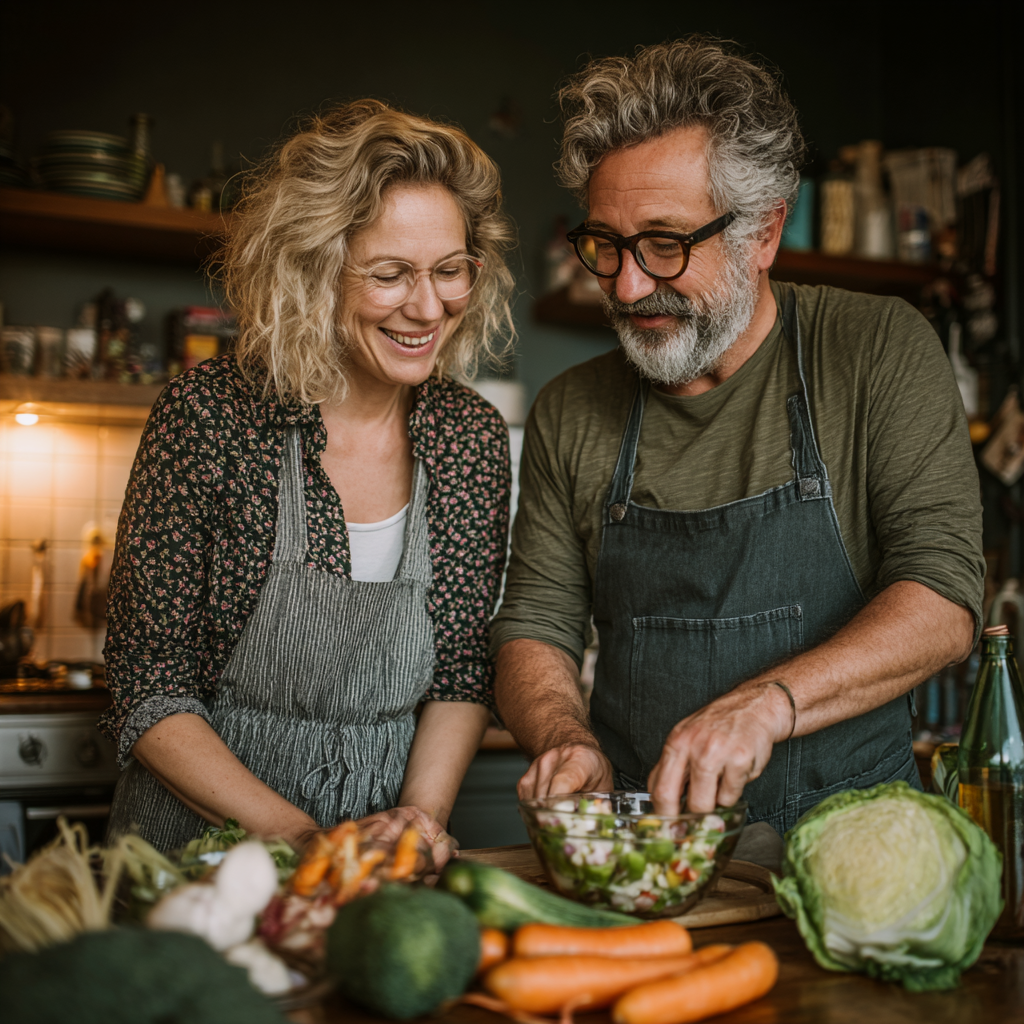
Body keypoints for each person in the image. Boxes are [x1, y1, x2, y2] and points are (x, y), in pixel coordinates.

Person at [491, 38, 983, 835]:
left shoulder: (873, 349)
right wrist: (561, 735)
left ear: (763, 233)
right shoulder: (570, 409)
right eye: (606, 244)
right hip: (645, 850)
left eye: (664, 243)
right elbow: (535, 623)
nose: (626, 284)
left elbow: (943, 603)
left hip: (854, 840)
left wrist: (767, 706)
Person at [102, 100, 515, 860]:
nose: (429, 308)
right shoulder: (211, 417)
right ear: (314, 270)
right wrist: (302, 840)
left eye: (451, 270)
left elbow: (460, 673)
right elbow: (149, 684)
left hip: (378, 869)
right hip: (197, 860)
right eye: (390, 275)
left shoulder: (470, 440)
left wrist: (418, 822)